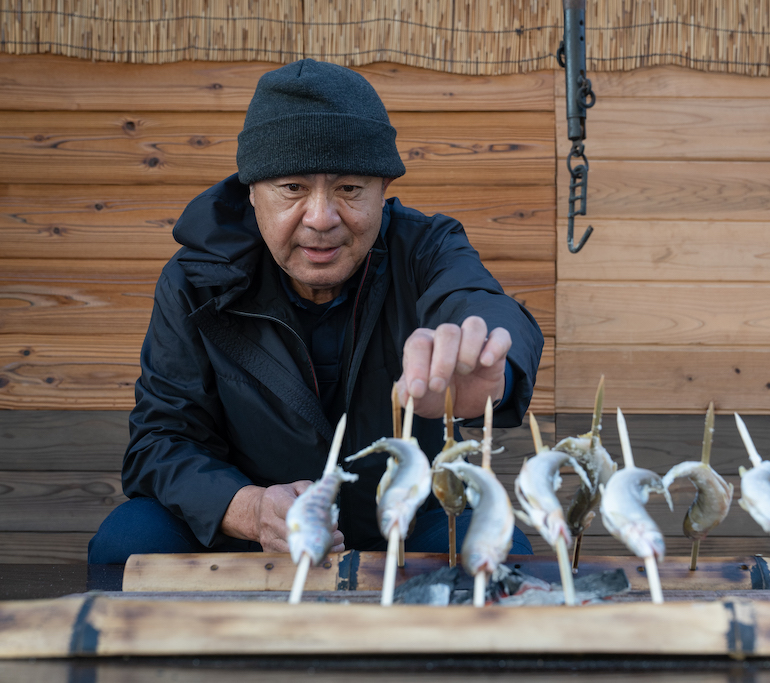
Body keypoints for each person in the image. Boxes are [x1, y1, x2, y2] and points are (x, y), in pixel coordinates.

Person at [88, 59, 543, 564]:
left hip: (410, 517)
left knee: (497, 546)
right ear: (252, 193)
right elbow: (160, 440)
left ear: (383, 190)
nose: (322, 218)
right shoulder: (196, 279)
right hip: (252, 526)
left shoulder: (425, 249)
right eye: (292, 188)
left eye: (350, 189)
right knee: (126, 544)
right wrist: (248, 507)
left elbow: (482, 304)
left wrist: (486, 364)